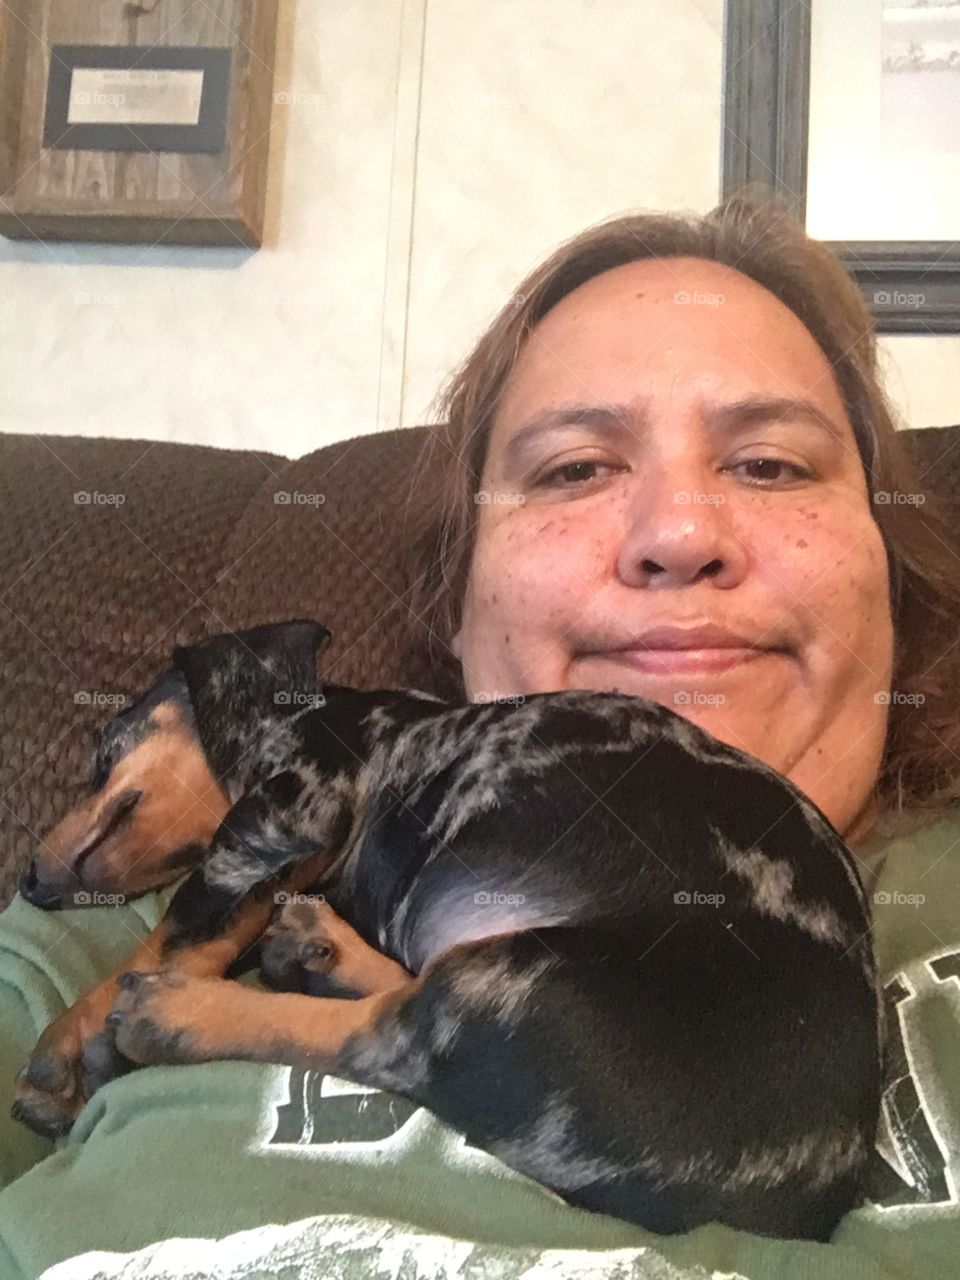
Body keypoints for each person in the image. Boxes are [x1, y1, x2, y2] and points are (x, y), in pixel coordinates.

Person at [2, 189, 959, 1279]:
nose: (679, 534)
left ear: (893, 570)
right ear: (459, 603)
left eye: (772, 463)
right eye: (575, 468)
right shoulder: (119, 927)